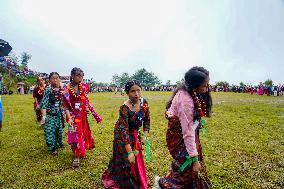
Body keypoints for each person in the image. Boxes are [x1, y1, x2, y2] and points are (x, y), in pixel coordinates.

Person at [154, 67, 212, 189]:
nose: (207, 89)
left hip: (186, 135)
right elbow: (187, 133)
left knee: (185, 167)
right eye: (204, 86)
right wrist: (195, 159)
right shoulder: (186, 101)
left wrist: (196, 122)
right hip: (183, 137)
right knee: (188, 168)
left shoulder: (188, 92)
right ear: (195, 86)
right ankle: (163, 184)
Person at [102, 80, 150, 189]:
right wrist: (129, 152)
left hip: (134, 133)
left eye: (138, 90)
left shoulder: (144, 103)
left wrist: (145, 135)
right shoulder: (124, 108)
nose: (136, 94)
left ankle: (137, 176)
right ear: (127, 93)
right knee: (126, 159)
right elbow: (123, 130)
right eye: (133, 91)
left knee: (136, 158)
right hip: (122, 135)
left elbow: (147, 120)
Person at [63, 67, 102, 168]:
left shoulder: (84, 87)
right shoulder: (66, 89)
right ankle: (76, 156)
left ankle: (78, 153)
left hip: (83, 117)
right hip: (72, 117)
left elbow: (86, 102)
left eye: (82, 76)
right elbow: (65, 106)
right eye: (78, 76)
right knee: (74, 135)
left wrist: (96, 115)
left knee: (80, 135)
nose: (80, 78)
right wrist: (69, 118)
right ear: (72, 76)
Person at [40, 72, 65, 156]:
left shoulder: (62, 88)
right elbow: (44, 104)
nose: (55, 80)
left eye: (57, 78)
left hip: (59, 114)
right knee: (50, 131)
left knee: (59, 131)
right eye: (53, 78)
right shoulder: (48, 89)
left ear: (59, 79)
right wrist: (44, 117)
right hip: (50, 115)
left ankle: (58, 144)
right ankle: (52, 148)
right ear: (49, 80)